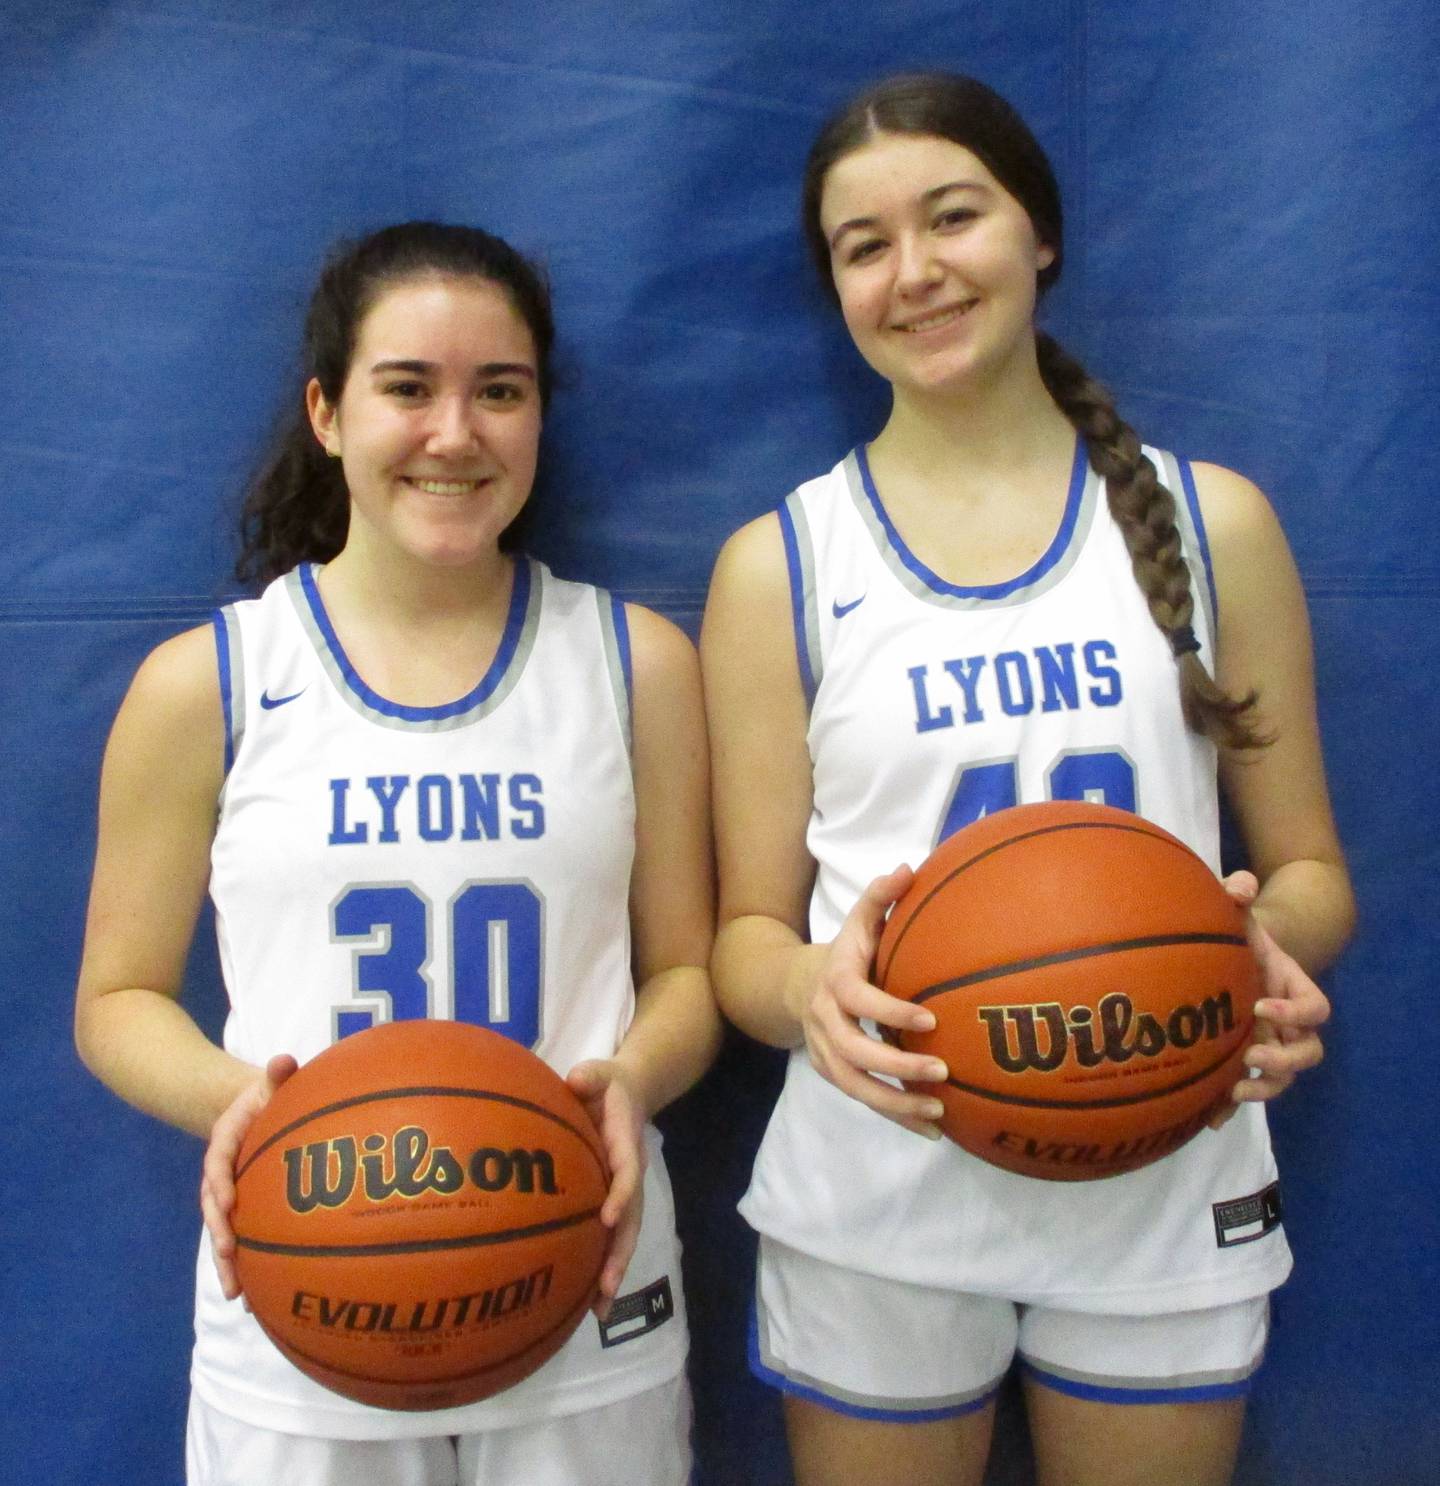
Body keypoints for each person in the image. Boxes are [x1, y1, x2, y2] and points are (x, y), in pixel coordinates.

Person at [701, 74, 1354, 1486]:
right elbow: (744, 940)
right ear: (833, 288)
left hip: (1164, 1157)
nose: (916, 271)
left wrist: (1256, 962)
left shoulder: (1212, 522)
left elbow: (1310, 876)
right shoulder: (782, 566)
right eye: (864, 245)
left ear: (1038, 234)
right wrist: (813, 989)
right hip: (881, 1183)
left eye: (954, 217)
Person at [73, 221, 719, 1486]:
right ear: (326, 412)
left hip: (581, 1268)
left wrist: (627, 1082)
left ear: (538, 417)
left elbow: (686, 976)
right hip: (303, 1294)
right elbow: (114, 1002)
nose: (455, 433)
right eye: (407, 388)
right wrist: (241, 1103)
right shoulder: (212, 683)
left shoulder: (634, 662)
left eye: (501, 391)